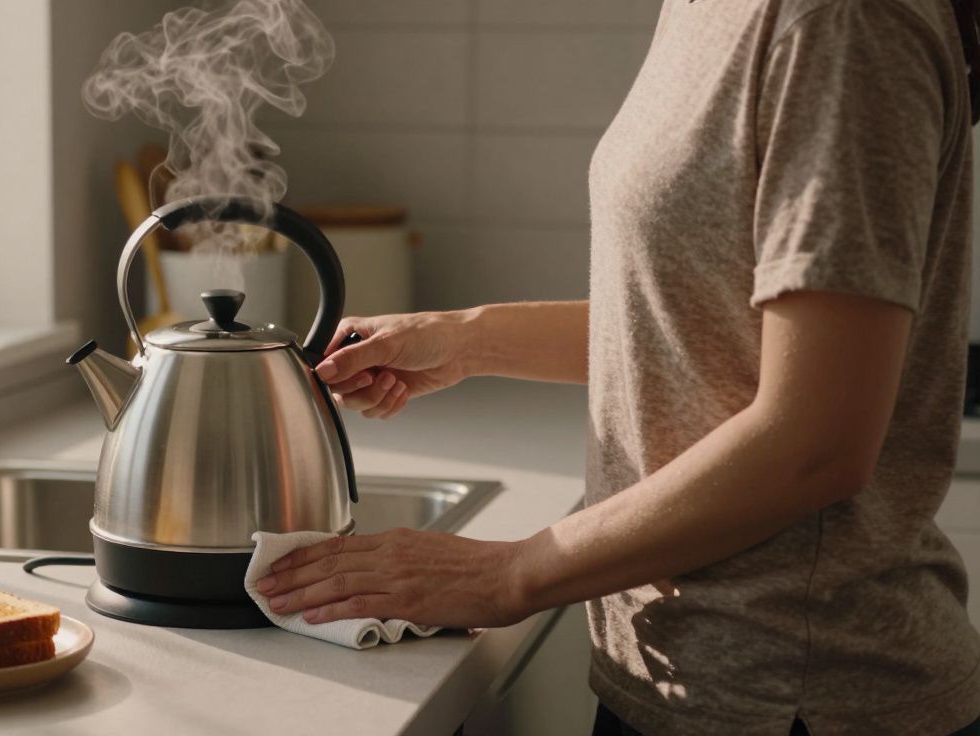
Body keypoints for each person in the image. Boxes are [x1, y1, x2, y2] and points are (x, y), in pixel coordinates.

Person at [255, 0, 980, 733]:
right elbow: (710, 326)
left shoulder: (843, 21)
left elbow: (817, 439)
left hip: (795, 698)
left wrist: (504, 576)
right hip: (675, 679)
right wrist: (467, 338)